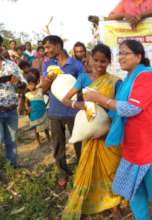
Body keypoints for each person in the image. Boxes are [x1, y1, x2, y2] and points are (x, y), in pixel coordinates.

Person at [83, 39, 152, 220]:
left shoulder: (146, 76)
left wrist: (99, 98)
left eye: (125, 53)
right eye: (119, 53)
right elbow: (117, 113)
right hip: (133, 149)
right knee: (135, 194)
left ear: (139, 56)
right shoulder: (127, 81)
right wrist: (96, 127)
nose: (121, 57)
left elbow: (131, 108)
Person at [61, 43, 122, 219]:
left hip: (110, 130)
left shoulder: (116, 81)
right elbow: (66, 99)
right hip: (91, 130)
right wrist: (85, 106)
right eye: (96, 60)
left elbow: (118, 107)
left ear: (109, 62)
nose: (99, 64)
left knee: (111, 168)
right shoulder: (82, 78)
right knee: (91, 167)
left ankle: (113, 204)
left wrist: (102, 105)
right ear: (90, 59)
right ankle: (91, 200)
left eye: (103, 61)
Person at [41, 35, 84, 188]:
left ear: (58, 45)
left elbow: (83, 86)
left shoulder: (76, 65)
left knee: (79, 143)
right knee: (58, 144)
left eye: (48, 47)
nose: (46, 51)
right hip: (55, 112)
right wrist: (48, 80)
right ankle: (63, 173)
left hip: (73, 111)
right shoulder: (47, 64)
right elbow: (44, 88)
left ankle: (82, 172)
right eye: (44, 48)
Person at [0, 52, 27, 168]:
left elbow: (23, 84)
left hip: (11, 110)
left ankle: (12, 166)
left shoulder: (11, 65)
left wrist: (19, 83)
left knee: (11, 140)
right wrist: (4, 79)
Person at [25, 74, 50, 145]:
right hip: (33, 113)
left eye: (31, 84)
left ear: (35, 84)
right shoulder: (27, 94)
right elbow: (26, 103)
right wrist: (27, 108)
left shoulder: (40, 90)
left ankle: (49, 138)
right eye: (28, 85)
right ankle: (38, 141)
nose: (30, 86)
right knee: (35, 129)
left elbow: (48, 94)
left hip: (42, 111)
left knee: (45, 127)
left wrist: (46, 104)